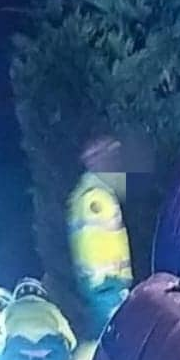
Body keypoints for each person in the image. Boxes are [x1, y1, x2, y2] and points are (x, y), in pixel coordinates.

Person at [67, 136, 134, 336]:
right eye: (111, 156)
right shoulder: (95, 196)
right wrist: (109, 281)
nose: (117, 162)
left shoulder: (95, 193)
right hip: (107, 285)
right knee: (115, 341)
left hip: (106, 286)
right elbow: (90, 245)